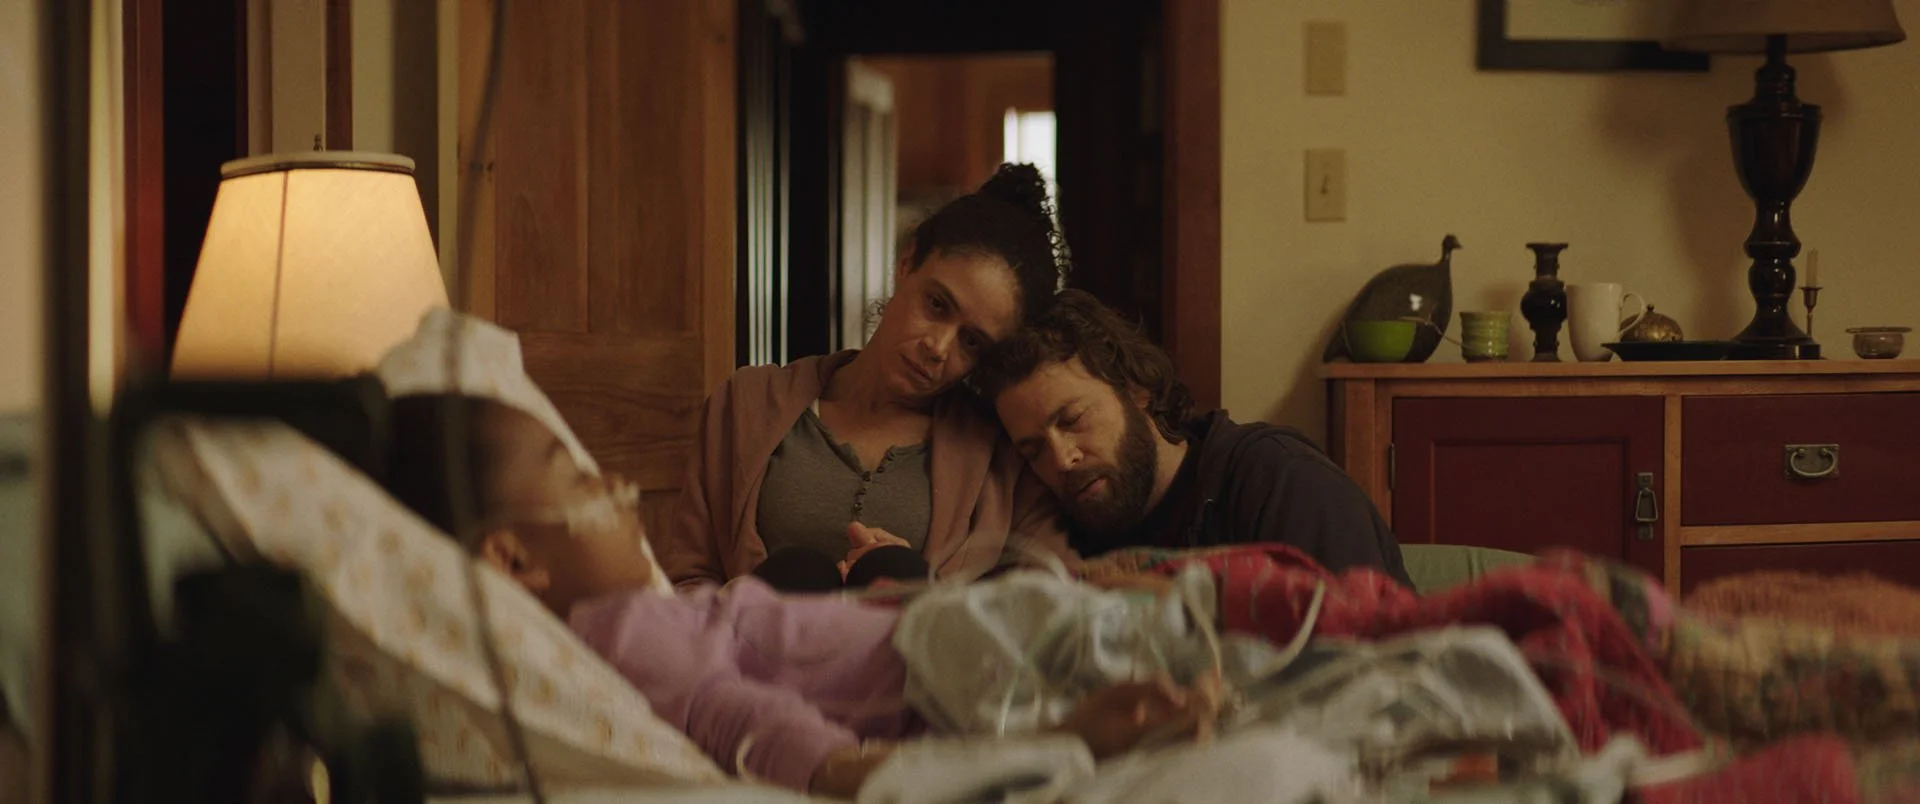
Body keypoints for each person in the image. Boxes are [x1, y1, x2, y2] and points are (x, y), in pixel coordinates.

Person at [381, 393, 1216, 799]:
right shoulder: (622, 632)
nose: (617, 490)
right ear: (513, 557)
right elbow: (748, 721)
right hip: (946, 668)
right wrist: (1059, 739)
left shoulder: (627, 625)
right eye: (581, 481)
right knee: (1165, 635)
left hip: (938, 638)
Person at [658, 163, 1079, 591]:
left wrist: (923, 589)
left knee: (896, 572)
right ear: (907, 263)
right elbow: (688, 580)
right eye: (936, 305)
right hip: (752, 634)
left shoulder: (1000, 451)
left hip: (921, 635)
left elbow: (1044, 600)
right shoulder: (746, 404)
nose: (938, 347)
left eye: (971, 342)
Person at [971, 289, 1412, 585]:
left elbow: (1367, 665)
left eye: (1073, 419)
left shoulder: (1281, 482)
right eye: (1033, 450)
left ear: (1136, 390)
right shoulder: (1067, 537)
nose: (1061, 459)